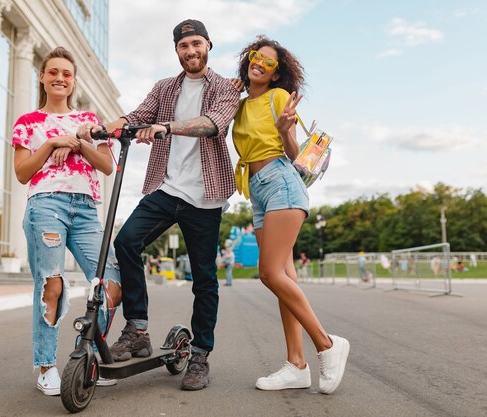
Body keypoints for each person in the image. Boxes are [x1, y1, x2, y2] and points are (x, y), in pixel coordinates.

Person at [81, 19, 240, 391]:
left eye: (197, 44)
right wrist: (103, 126)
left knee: (204, 278)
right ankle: (137, 329)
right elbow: (137, 116)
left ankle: (200, 354)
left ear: (208, 46)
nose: (191, 51)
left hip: (206, 196)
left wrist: (166, 127)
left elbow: (212, 124)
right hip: (166, 188)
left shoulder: (224, 90)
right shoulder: (164, 87)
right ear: (177, 51)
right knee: (126, 241)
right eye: (184, 46)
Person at [231, 36, 349, 394]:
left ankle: (327, 344)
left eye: (269, 63)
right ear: (247, 60)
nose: (260, 64)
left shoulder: (278, 98)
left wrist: (285, 131)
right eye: (256, 57)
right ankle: (296, 364)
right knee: (284, 277)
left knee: (269, 272)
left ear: (276, 72)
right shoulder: (237, 105)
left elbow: (297, 157)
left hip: (281, 181)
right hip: (259, 193)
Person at [12, 46, 122, 395]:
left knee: (111, 285)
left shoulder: (88, 123)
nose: (60, 78)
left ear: (73, 81)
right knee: (52, 286)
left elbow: (106, 166)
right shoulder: (28, 123)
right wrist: (50, 144)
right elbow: (22, 172)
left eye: (67, 74)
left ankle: (83, 357)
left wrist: (76, 143)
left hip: (87, 208)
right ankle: (46, 367)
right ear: (42, 77)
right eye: (53, 72)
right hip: (46, 205)